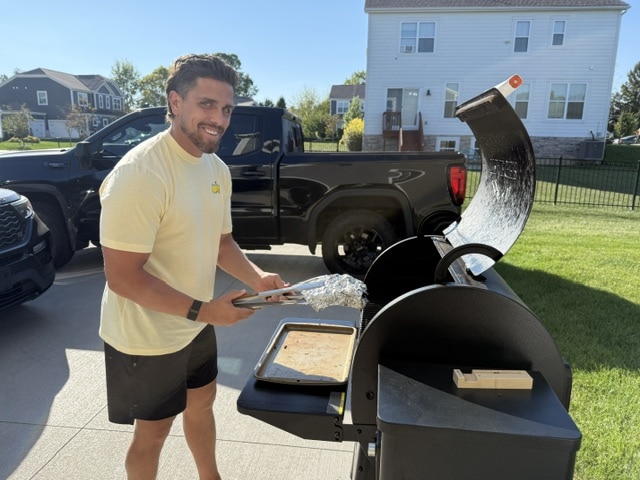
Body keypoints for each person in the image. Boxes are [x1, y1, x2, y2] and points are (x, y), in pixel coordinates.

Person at [98, 53, 285, 480]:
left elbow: (221, 243)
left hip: (196, 321)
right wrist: (205, 311)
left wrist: (258, 278)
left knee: (202, 405)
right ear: (175, 102)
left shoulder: (215, 168)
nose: (219, 119)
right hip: (147, 334)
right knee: (153, 433)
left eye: (227, 109)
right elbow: (123, 277)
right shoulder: (141, 173)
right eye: (207, 104)